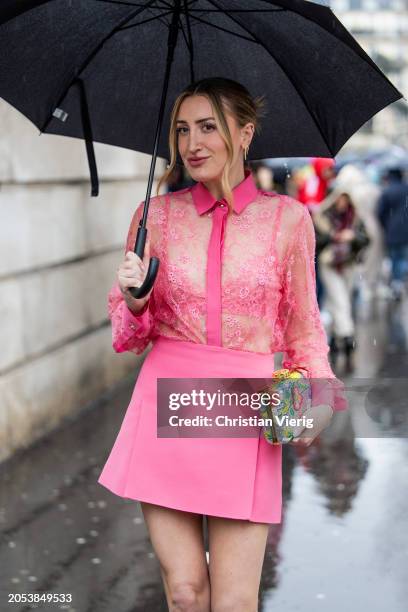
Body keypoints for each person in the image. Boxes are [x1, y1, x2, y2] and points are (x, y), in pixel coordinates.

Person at [97, 77, 344, 611]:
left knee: (233, 601)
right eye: (183, 130)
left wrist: (310, 405)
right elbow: (125, 332)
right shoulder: (154, 217)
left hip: (243, 409)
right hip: (166, 400)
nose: (193, 143)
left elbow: (305, 330)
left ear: (245, 134)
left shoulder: (287, 219)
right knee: (185, 593)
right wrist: (135, 300)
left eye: (208, 127)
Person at [313, 191, 370, 371]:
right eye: (338, 199)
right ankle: (347, 336)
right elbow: (314, 241)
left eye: (345, 199)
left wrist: (353, 236)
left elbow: (366, 239)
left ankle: (336, 339)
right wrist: (332, 236)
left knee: (335, 303)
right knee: (341, 301)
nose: (341, 203)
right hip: (329, 264)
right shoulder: (322, 217)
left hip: (349, 264)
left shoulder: (355, 217)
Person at [377, 167, 408, 300]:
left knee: (395, 257)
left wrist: (386, 225)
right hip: (406, 229)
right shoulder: (406, 189)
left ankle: (396, 282)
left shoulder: (387, 191)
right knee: (403, 256)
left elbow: (380, 212)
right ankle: (400, 280)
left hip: (392, 231)